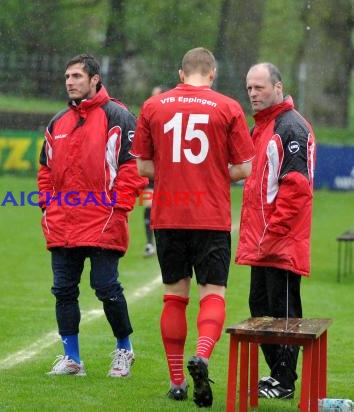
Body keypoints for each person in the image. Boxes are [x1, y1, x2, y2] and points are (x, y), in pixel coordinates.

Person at [131, 47, 254, 407]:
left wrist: (174, 174)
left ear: (181, 74)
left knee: (174, 297)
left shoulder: (154, 106)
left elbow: (142, 168)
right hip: (211, 216)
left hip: (168, 216)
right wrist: (211, 175)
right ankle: (201, 355)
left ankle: (176, 382)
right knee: (212, 294)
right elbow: (244, 169)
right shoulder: (228, 107)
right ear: (212, 74)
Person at [37, 53, 147, 378]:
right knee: (64, 290)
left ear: (95, 79)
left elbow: (134, 166)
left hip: (103, 221)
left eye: (77, 76)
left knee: (106, 287)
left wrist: (119, 205)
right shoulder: (57, 121)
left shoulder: (119, 116)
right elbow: (45, 168)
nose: (70, 82)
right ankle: (72, 358)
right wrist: (48, 204)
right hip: (63, 222)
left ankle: (124, 350)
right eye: (67, 77)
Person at [235, 63, 316, 400]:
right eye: (250, 88)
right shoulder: (263, 127)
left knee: (283, 313)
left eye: (260, 88)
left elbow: (296, 190)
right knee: (259, 308)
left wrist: (272, 234)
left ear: (278, 88)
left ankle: (283, 381)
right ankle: (279, 376)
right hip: (262, 240)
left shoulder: (291, 128)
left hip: (280, 242)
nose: (253, 94)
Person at [142, 85, 167, 258]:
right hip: (150, 173)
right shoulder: (147, 117)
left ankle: (164, 242)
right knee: (148, 204)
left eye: (156, 96)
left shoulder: (173, 119)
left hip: (169, 175)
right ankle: (150, 243)